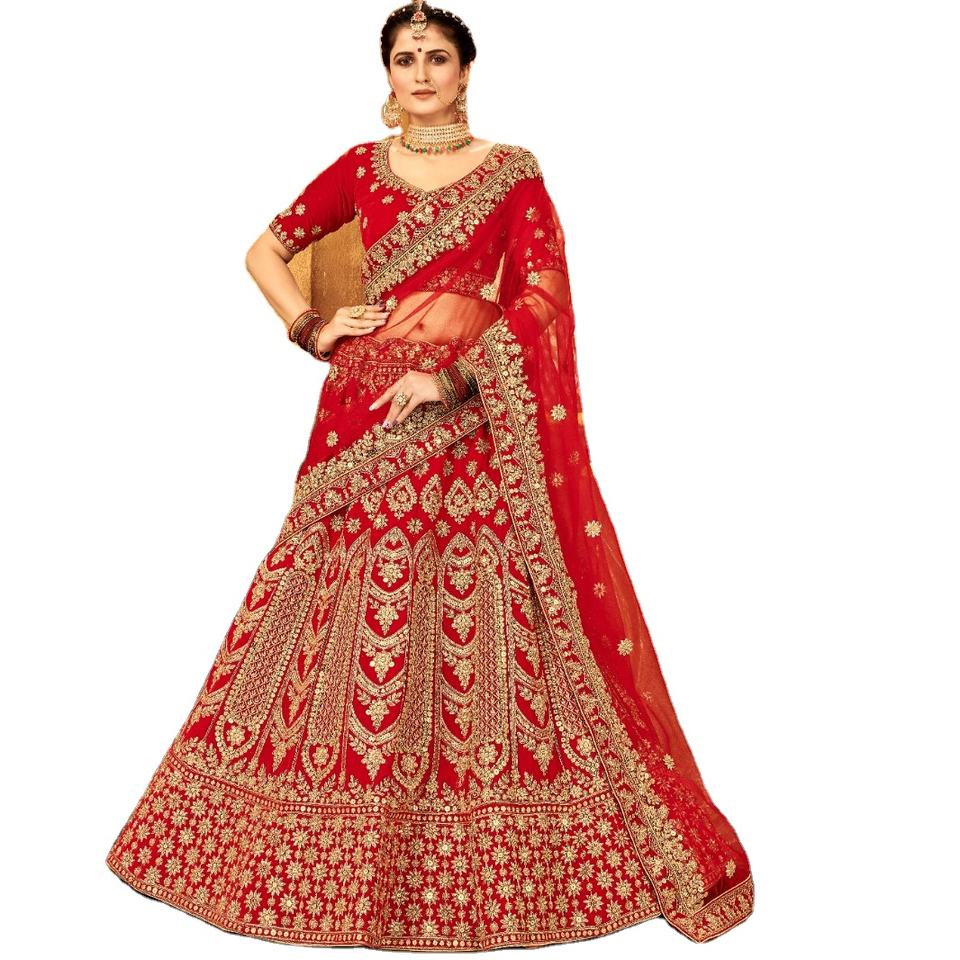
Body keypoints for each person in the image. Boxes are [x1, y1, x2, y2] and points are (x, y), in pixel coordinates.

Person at [104, 2, 754, 948]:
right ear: (388, 74)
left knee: (483, 595)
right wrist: (312, 325)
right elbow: (263, 251)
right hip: (364, 409)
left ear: (465, 72)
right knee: (334, 592)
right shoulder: (359, 168)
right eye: (405, 57)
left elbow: (541, 295)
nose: (420, 72)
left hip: (468, 413)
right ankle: (305, 831)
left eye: (436, 57)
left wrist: (452, 377)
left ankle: (491, 835)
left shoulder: (512, 173)